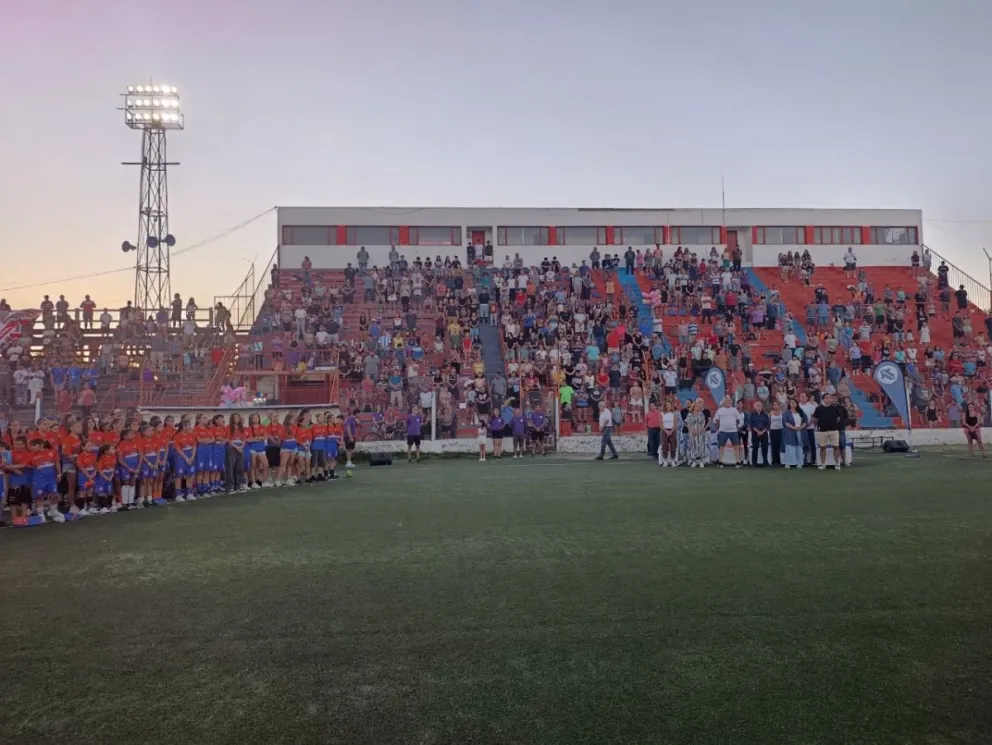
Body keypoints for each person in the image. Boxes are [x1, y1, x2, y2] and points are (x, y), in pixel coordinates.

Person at [811, 393, 843, 470]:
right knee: (822, 448)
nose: (829, 399)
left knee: (836, 447)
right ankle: (823, 464)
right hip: (822, 431)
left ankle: (837, 464)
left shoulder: (834, 408)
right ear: (823, 399)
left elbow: (838, 419)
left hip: (834, 431)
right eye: (827, 398)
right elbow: (814, 419)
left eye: (829, 398)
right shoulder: (818, 408)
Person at [713, 396, 741, 468]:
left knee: (736, 446)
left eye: (730, 401)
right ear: (724, 402)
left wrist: (735, 426)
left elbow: (738, 419)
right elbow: (716, 420)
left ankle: (737, 461)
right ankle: (720, 461)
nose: (729, 402)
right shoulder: (720, 410)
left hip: (733, 431)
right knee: (721, 446)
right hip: (723, 431)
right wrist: (718, 428)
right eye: (728, 401)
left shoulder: (734, 410)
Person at [781, 399, 806, 469]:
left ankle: (799, 463)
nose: (792, 403)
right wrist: (794, 428)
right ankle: (788, 463)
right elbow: (785, 422)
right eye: (791, 402)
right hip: (790, 432)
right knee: (789, 447)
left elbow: (805, 421)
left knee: (799, 447)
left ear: (796, 404)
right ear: (789, 404)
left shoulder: (801, 412)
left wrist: (801, 427)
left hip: (799, 431)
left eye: (794, 402)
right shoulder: (786, 412)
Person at [683, 400, 708, 467]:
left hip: (700, 433)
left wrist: (699, 431)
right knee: (693, 446)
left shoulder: (701, 415)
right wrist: (692, 431)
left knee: (701, 446)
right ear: (693, 407)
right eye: (696, 406)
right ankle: (694, 460)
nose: (698, 407)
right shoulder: (689, 415)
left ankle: (701, 461)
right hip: (692, 432)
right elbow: (688, 424)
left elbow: (703, 424)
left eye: (699, 406)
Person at [749, 401, 770, 467]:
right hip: (755, 433)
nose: (759, 407)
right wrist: (758, 432)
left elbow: (768, 424)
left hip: (764, 433)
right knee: (755, 448)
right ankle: (754, 463)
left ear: (762, 406)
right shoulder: (752, 414)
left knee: (765, 448)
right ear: (754, 407)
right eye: (757, 405)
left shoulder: (765, 414)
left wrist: (762, 432)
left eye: (760, 405)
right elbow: (751, 424)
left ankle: (765, 462)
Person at [658, 400, 678, 467]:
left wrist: (671, 431)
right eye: (667, 405)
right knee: (664, 446)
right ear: (665, 406)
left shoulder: (674, 413)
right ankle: (665, 461)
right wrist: (666, 431)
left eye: (669, 405)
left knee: (673, 445)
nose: (668, 406)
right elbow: (661, 424)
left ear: (671, 406)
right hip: (664, 431)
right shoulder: (662, 414)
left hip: (672, 431)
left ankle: (672, 460)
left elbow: (675, 423)